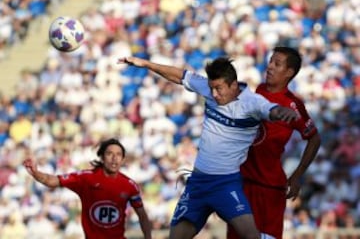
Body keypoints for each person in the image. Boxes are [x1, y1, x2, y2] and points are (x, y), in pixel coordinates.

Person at [118, 56, 299, 239]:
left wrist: (282, 112)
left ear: (233, 85)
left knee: (251, 236)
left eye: (219, 89)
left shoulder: (253, 103)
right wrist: (147, 64)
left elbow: (272, 110)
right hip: (197, 184)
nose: (213, 94)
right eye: (211, 88)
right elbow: (179, 75)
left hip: (226, 184)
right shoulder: (209, 88)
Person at [227, 46, 321, 239]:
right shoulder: (258, 90)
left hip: (269, 189)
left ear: (289, 73)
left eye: (277, 64)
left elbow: (314, 138)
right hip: (243, 183)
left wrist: (296, 176)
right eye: (270, 61)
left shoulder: (292, 104)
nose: (269, 67)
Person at [23, 138, 152, 239]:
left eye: (118, 155)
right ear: (102, 157)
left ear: (123, 159)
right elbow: (52, 180)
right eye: (110, 154)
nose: (114, 158)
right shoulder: (85, 178)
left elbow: (142, 216)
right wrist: (36, 172)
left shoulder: (130, 185)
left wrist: (148, 237)